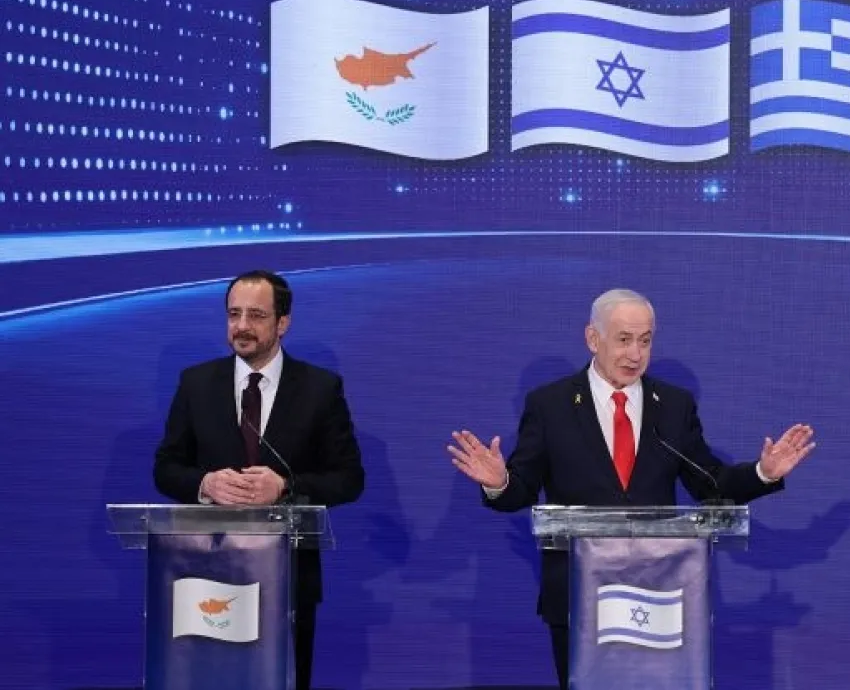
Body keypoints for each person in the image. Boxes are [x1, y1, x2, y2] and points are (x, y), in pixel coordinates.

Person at [448, 288, 816, 690]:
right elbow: (522, 489)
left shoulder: (673, 405)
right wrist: (500, 483)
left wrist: (763, 472)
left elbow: (711, 484)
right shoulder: (550, 405)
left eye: (645, 341)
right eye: (623, 339)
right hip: (580, 596)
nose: (635, 354)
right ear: (593, 338)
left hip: (661, 593)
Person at [154, 270, 365, 690]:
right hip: (205, 571)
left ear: (282, 323)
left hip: (286, 576)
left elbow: (349, 479)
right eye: (234, 314)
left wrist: (285, 486)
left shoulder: (320, 389)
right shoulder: (196, 383)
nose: (242, 326)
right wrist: (205, 485)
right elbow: (166, 468)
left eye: (256, 315)